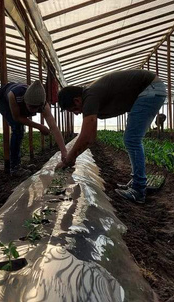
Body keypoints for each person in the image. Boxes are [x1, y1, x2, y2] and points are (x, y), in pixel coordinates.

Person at [56, 70, 166, 203]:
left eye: (74, 110)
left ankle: (139, 189)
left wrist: (69, 159)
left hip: (150, 90)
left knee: (132, 139)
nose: (77, 114)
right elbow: (91, 138)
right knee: (131, 138)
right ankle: (137, 182)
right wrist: (73, 157)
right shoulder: (91, 95)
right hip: (149, 90)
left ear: (77, 100)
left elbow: (85, 135)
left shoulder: (90, 97)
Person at [0, 80, 67, 176]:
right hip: (2, 98)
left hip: (18, 100)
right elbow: (17, 117)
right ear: (25, 100)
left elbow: (54, 127)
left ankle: (17, 164)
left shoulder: (44, 106)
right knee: (17, 129)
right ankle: (15, 167)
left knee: (19, 129)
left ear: (40, 106)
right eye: (29, 106)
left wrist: (64, 151)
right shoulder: (15, 96)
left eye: (35, 108)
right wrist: (40, 126)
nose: (31, 110)